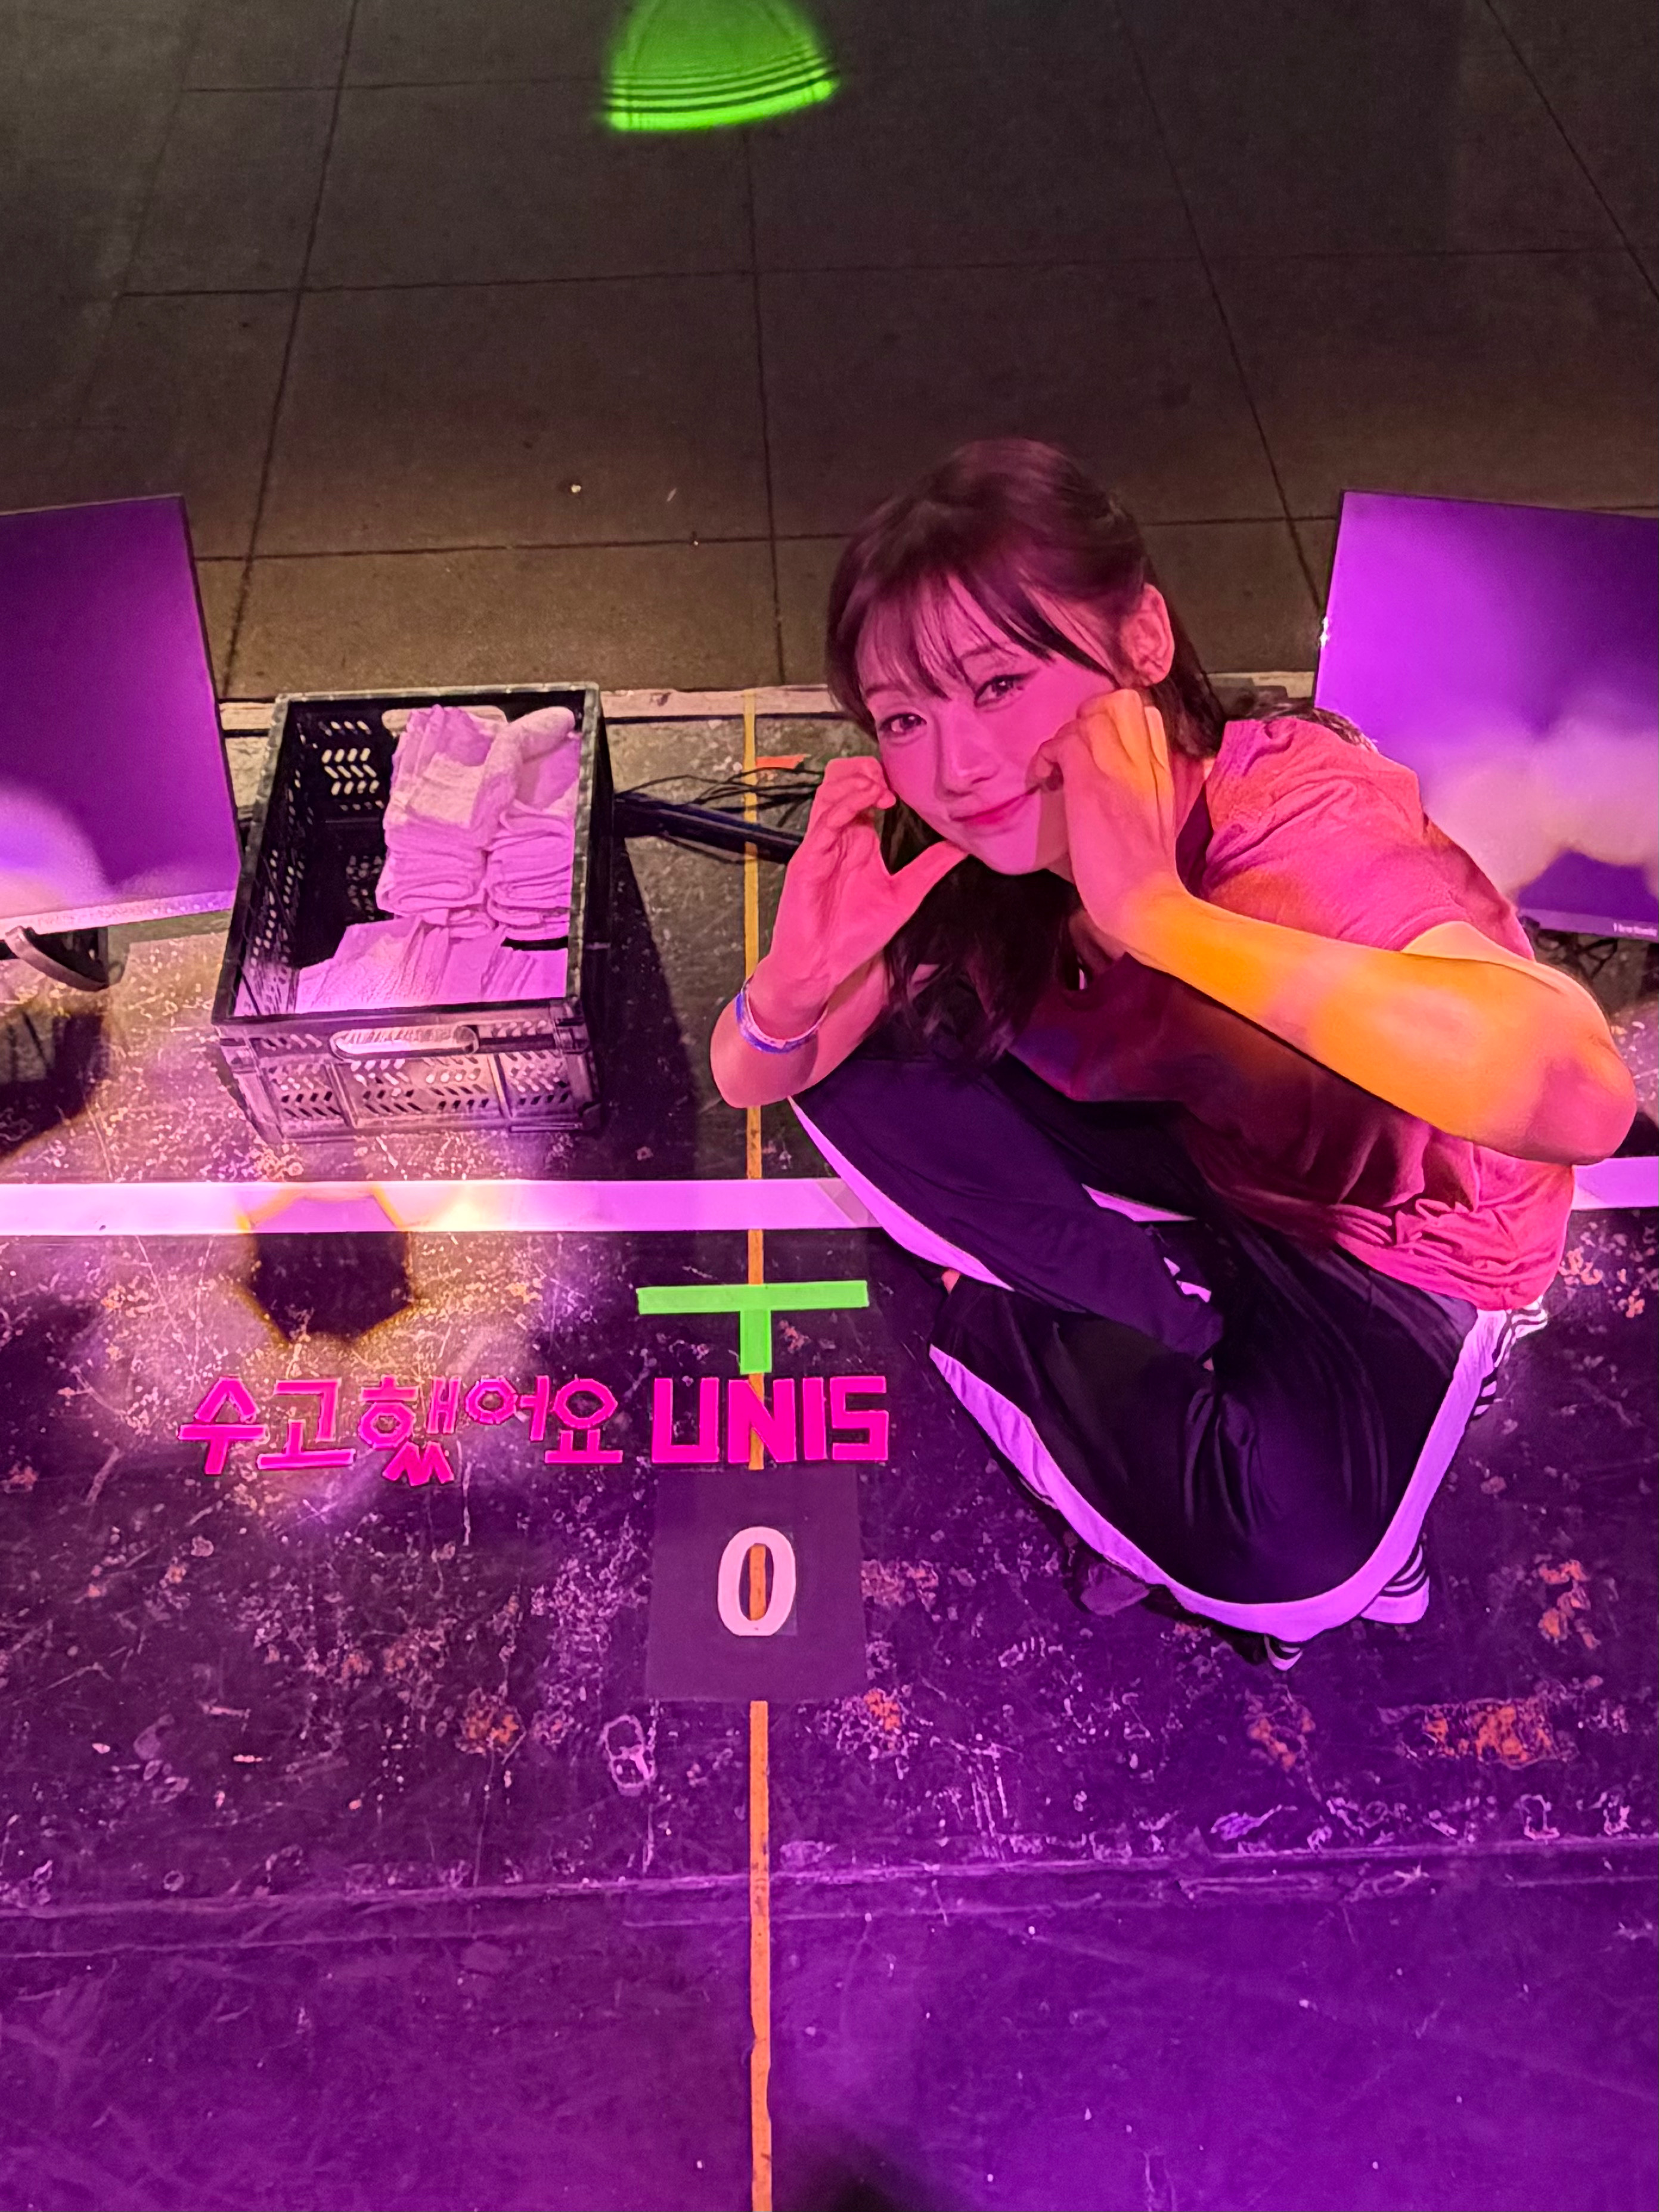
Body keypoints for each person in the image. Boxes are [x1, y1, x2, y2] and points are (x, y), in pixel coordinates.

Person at [710, 441, 1635, 1667]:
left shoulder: (1292, 822)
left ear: (1142, 639)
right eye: (905, 718)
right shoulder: (965, 852)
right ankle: (1142, 1303)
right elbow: (753, 1073)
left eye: (1000, 682)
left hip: (1391, 1235)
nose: (959, 766)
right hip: (1209, 1142)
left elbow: (1581, 1098)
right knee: (851, 1058)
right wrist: (793, 977)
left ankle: (1086, 1337)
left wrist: (1158, 915)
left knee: (1297, 1568)